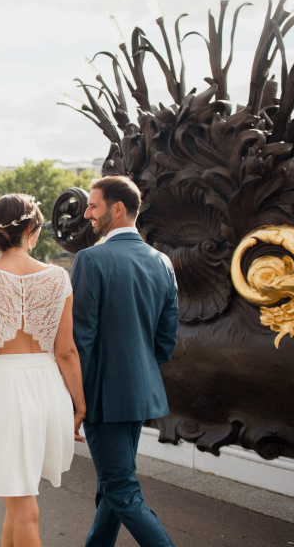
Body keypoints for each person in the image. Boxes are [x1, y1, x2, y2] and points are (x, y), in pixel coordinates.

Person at [0, 193, 86, 547]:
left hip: (5, 393)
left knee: (24, 508)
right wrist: (80, 406)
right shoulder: (59, 278)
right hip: (49, 393)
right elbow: (67, 351)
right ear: (30, 229)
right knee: (17, 503)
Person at [72, 176, 179, 547]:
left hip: (103, 396)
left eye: (93, 205)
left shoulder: (90, 259)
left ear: (118, 209)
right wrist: (142, 371)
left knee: (120, 490)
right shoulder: (162, 262)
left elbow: (81, 338)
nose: (86, 213)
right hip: (141, 393)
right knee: (112, 486)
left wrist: (76, 400)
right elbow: (166, 338)